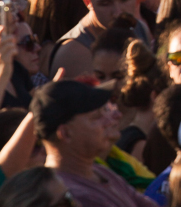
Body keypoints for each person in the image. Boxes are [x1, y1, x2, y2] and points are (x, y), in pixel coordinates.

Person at [30, 79, 155, 207]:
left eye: (106, 110)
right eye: (96, 116)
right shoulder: (69, 196)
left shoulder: (99, 172)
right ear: (65, 133)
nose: (117, 115)